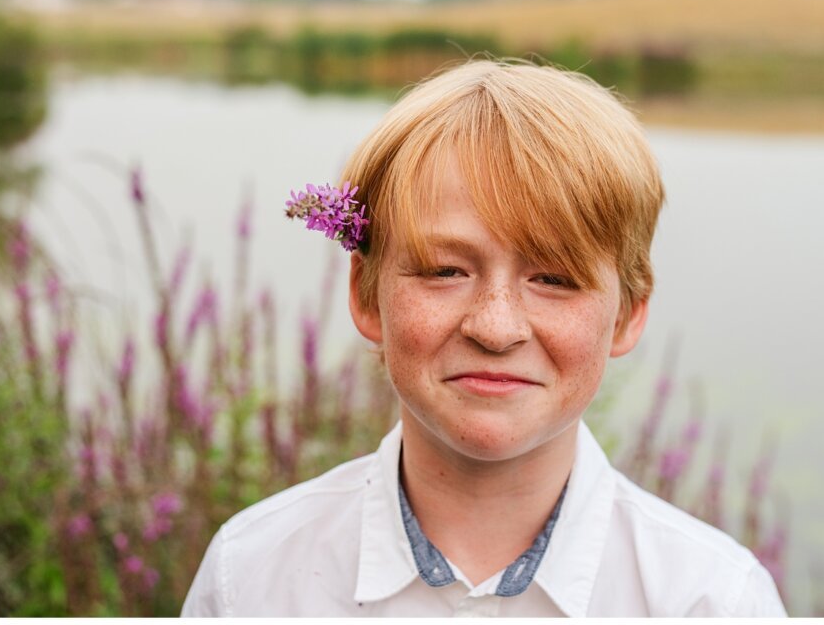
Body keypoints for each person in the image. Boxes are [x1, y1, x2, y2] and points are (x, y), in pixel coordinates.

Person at [180, 59, 787, 617]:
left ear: (627, 314)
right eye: (445, 271)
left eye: (554, 278)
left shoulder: (712, 600)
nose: (496, 328)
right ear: (366, 295)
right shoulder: (251, 576)